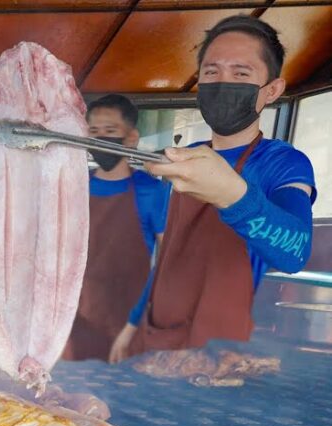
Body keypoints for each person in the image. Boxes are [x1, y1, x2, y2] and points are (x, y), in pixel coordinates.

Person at [110, 16, 316, 363]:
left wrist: (232, 195)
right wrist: (131, 326)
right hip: (158, 343)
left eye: (241, 74)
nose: (223, 83)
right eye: (211, 72)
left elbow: (295, 252)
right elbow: (167, 257)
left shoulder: (282, 163)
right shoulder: (182, 159)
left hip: (222, 355)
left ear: (272, 90)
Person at [63, 95, 169, 361]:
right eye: (93, 132)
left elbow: (170, 262)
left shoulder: (152, 191)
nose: (100, 139)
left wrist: (135, 324)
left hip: (127, 322)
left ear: (131, 138)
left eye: (110, 131)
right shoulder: (72, 187)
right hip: (71, 320)